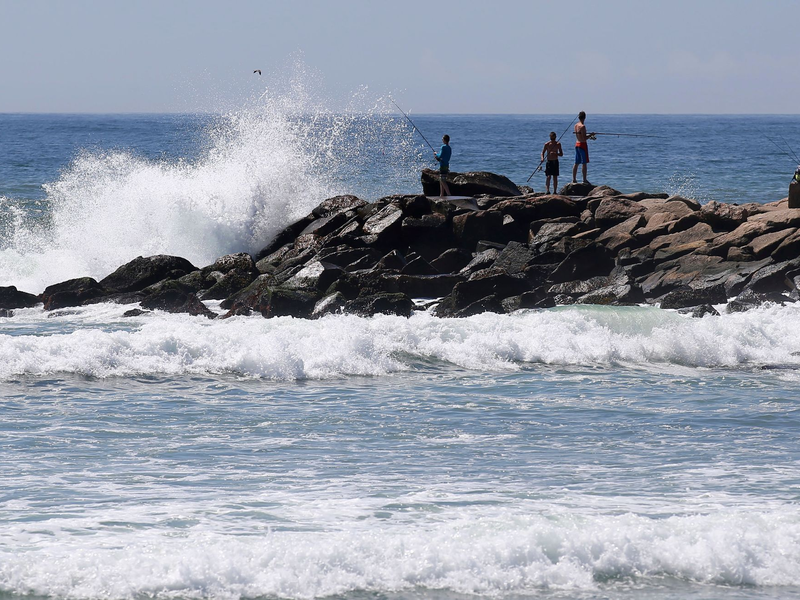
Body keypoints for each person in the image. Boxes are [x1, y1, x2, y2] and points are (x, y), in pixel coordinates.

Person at [572, 111, 596, 184]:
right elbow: (584, 138)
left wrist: (588, 135)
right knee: (584, 163)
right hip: (582, 145)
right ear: (584, 117)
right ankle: (584, 180)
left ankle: (574, 179)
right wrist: (591, 135)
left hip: (577, 144)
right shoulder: (583, 126)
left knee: (576, 163)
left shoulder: (575, 125)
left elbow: (580, 136)